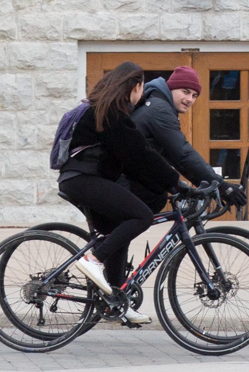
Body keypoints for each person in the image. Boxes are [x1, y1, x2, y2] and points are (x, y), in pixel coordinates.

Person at [57, 62, 187, 326]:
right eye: (142, 88)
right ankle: (93, 260)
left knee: (119, 229)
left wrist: (165, 186)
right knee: (141, 216)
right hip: (83, 179)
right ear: (135, 86)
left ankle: (117, 300)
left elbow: (131, 162)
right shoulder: (109, 114)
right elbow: (140, 154)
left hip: (83, 179)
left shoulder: (105, 111)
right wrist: (177, 182)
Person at [118, 65, 247, 213]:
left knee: (155, 199)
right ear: (171, 88)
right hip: (121, 180)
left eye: (194, 95)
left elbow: (175, 158)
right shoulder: (160, 110)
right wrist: (222, 186)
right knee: (149, 207)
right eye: (185, 92)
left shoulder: (158, 105)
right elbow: (184, 153)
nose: (189, 99)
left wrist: (208, 186)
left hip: (123, 178)